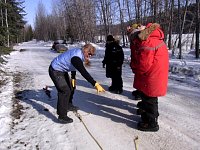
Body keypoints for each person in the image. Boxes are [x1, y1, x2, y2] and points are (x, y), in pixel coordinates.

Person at [127, 23, 169, 132]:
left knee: (150, 99)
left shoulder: (149, 41)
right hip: (156, 74)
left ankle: (151, 123)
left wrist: (137, 69)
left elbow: (144, 65)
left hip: (152, 76)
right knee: (149, 98)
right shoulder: (156, 39)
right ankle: (149, 116)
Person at [49, 43, 105, 123]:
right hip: (55, 70)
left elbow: (72, 66)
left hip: (62, 70)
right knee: (64, 91)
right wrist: (94, 83)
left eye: (91, 55)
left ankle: (68, 104)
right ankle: (62, 116)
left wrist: (73, 77)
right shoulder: (77, 57)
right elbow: (83, 72)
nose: (89, 56)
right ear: (85, 50)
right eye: (89, 54)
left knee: (71, 87)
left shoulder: (79, 53)